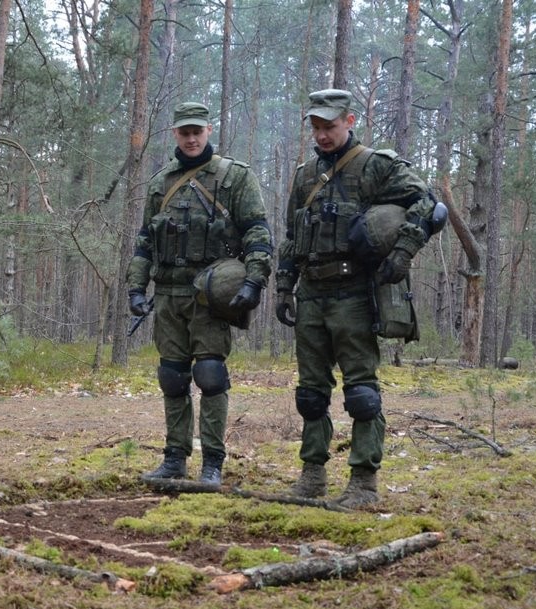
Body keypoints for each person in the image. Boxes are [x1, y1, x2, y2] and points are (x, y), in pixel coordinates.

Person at [275, 89, 437, 509]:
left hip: (353, 295)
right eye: (315, 127)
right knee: (311, 393)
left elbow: (427, 203)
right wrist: (283, 286)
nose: (322, 135)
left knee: (361, 392)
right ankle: (312, 476)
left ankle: (364, 483)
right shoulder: (305, 175)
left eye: (329, 126)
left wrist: (403, 253)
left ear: (349, 121)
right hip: (311, 293)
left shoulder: (376, 166)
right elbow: (294, 236)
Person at [126, 102, 273, 486]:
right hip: (170, 295)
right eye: (184, 132)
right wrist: (136, 287)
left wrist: (254, 281)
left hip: (211, 297)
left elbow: (258, 232)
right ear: (175, 133)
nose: (191, 138)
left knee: (210, 375)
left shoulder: (234, 177)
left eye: (198, 131)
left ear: (209, 130)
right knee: (172, 377)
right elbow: (144, 242)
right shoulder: (160, 182)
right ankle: (174, 458)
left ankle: (212, 462)